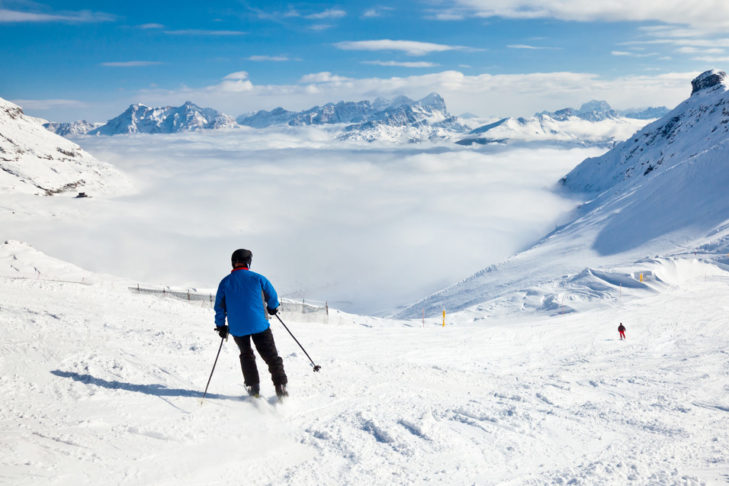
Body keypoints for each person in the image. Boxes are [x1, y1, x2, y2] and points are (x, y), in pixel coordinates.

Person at [214, 249, 288, 399]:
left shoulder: (225, 282)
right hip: (259, 324)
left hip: (238, 328)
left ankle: (253, 389)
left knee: (246, 355)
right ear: (249, 262)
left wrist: (221, 326)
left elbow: (219, 307)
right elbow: (272, 297)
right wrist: (272, 308)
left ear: (233, 262)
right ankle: (280, 387)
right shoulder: (258, 278)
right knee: (271, 356)